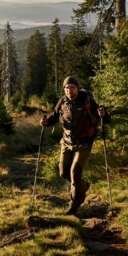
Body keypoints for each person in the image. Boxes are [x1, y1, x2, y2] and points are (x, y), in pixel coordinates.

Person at [41, 76, 108, 216]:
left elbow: (104, 118)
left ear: (77, 88)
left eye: (72, 87)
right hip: (66, 142)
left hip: (84, 143)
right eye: (66, 87)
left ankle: (74, 205)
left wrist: (104, 114)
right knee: (63, 173)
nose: (69, 90)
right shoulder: (62, 102)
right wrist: (46, 122)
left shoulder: (87, 101)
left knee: (74, 173)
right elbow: (54, 116)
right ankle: (83, 186)